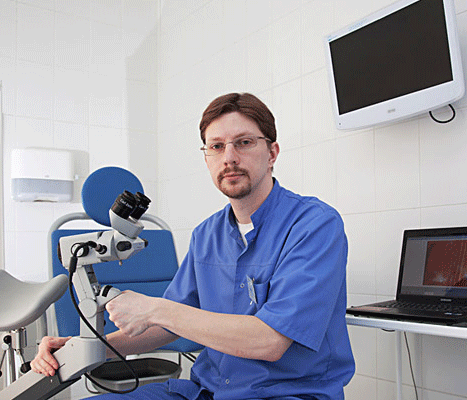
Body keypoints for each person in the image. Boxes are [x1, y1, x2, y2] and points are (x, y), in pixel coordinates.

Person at [31, 93, 355, 399]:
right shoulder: (207, 235)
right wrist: (84, 348)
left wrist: (153, 309)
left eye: (244, 142)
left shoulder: (314, 226)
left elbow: (269, 341)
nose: (229, 157)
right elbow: (164, 328)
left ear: (271, 153)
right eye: (216, 146)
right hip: (206, 391)